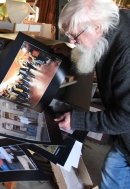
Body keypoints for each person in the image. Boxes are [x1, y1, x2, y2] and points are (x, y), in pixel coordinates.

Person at [52, 1, 130, 188]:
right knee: (113, 167)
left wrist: (77, 120)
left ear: (96, 26)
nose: (71, 40)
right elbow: (99, 49)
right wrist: (73, 53)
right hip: (125, 140)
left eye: (74, 35)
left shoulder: (127, 54)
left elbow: (126, 118)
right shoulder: (113, 22)